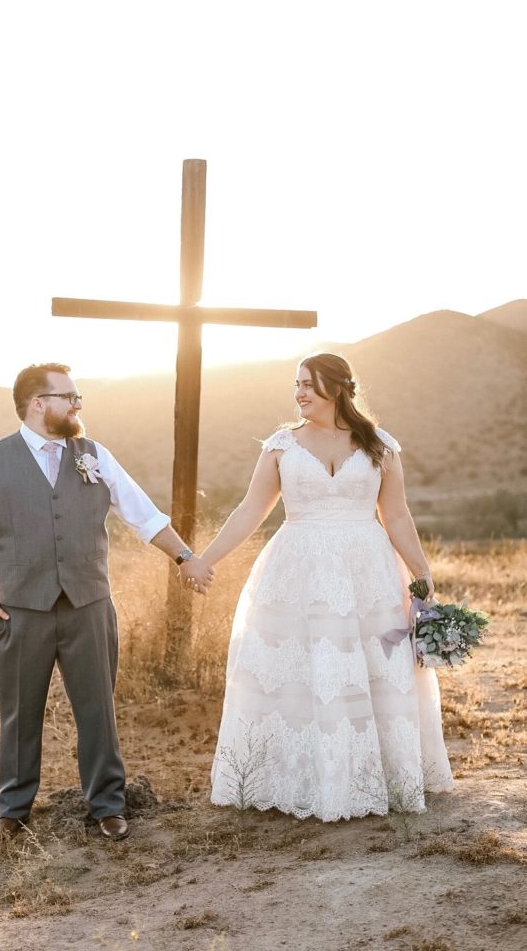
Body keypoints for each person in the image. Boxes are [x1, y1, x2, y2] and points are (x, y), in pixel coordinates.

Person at [0, 362, 213, 842]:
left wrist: (185, 557)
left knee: (97, 709)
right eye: (68, 396)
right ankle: (11, 810)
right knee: (18, 712)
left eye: (77, 398)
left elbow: (143, 514)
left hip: (89, 604)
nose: (77, 405)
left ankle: (107, 806)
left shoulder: (94, 455)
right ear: (38, 404)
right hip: (20, 610)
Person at [195, 352, 453, 822]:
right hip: (299, 570)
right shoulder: (280, 446)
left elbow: (395, 514)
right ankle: (302, 778)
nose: (300, 393)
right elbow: (250, 511)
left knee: (373, 667)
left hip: (368, 568)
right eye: (297, 384)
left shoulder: (379, 445)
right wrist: (204, 560)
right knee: (303, 670)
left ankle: (377, 778)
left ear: (338, 388)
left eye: (310, 385)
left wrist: (420, 570)